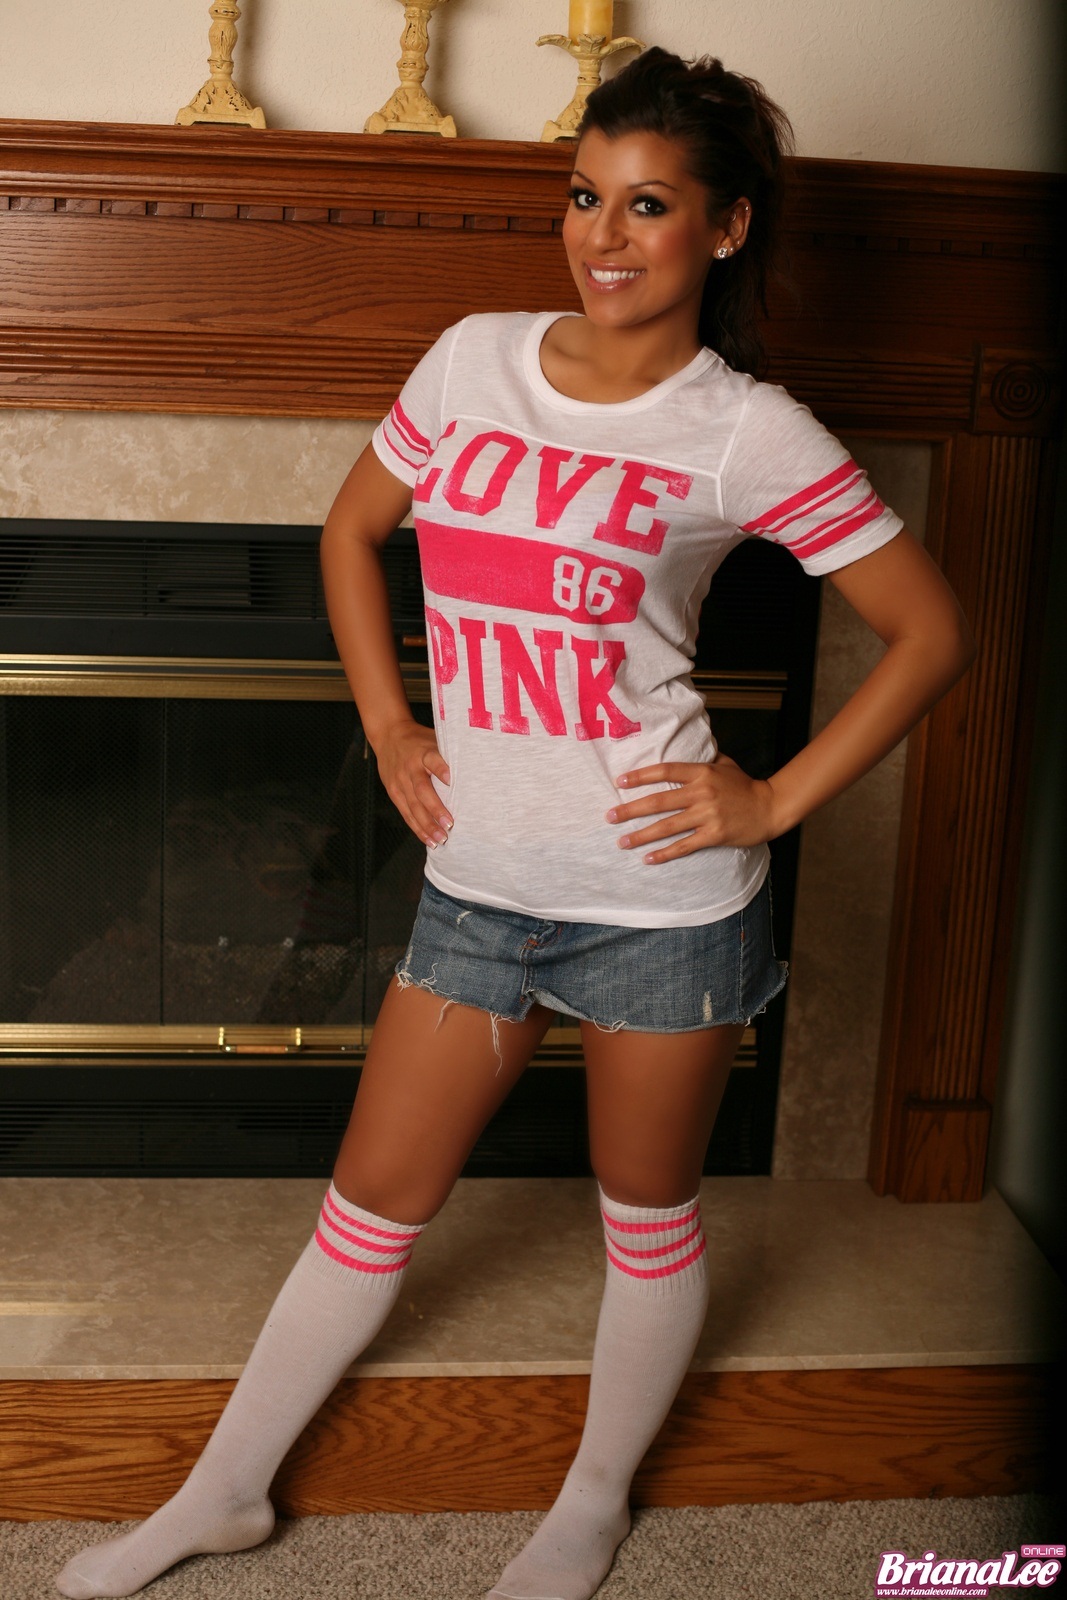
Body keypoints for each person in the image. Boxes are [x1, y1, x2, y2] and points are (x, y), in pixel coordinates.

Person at [54, 45, 977, 1600]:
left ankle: (588, 1510)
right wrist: (389, 724)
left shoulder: (743, 429)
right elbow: (353, 530)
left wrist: (769, 797)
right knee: (367, 1209)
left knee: (646, 1222)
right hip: (477, 886)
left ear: (725, 229)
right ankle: (222, 1495)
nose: (602, 236)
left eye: (648, 205)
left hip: (662, 905)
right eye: (583, 195)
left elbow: (934, 631)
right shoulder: (473, 358)